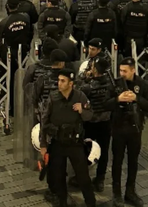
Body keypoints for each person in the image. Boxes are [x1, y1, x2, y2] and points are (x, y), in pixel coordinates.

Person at [39, 68, 97, 207]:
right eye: (58, 80)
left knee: (83, 177)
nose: (59, 83)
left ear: (71, 83)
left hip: (74, 144)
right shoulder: (53, 97)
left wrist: (82, 110)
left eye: (63, 81)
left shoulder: (80, 96)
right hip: (58, 143)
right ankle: (62, 203)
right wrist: (43, 144)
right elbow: (44, 121)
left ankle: (91, 203)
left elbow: (90, 115)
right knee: (58, 178)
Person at [109, 58, 148, 207]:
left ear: (133, 70)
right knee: (117, 160)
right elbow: (104, 104)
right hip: (118, 128)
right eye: (120, 70)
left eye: (125, 71)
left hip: (135, 129)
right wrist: (117, 99)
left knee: (133, 161)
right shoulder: (115, 84)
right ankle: (116, 193)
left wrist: (137, 99)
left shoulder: (142, 85)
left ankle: (130, 191)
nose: (122, 74)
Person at [80, 58, 115, 192]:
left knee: (85, 149)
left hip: (90, 122)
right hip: (106, 122)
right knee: (104, 151)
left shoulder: (88, 86)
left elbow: (79, 91)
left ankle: (82, 177)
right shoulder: (111, 85)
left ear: (95, 69)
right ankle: (100, 179)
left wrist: (84, 77)